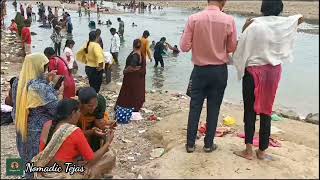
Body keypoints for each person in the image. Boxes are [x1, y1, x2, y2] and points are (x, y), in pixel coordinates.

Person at [232, 0, 303, 161]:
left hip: (253, 71)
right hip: (273, 72)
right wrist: (282, 20)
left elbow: (240, 48)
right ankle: (262, 151)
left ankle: (248, 150)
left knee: (249, 110)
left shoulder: (254, 26)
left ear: (263, 7)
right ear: (279, 9)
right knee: (266, 110)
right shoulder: (283, 25)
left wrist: (245, 27)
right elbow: (300, 18)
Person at [180, 0, 237, 153]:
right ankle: (208, 144)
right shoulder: (229, 20)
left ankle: (190, 144)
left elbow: (184, 47)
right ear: (223, 2)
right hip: (219, 71)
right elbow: (231, 48)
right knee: (214, 108)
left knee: (195, 107)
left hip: (199, 70)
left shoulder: (194, 19)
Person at [33, 99, 116, 178]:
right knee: (109, 155)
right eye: (79, 111)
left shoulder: (48, 124)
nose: (80, 114)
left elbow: (43, 150)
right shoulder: (74, 131)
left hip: (45, 170)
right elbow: (91, 158)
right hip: (63, 174)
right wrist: (108, 142)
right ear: (73, 113)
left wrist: (91, 132)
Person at [12, 53, 60, 178]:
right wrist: (53, 85)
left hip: (21, 125)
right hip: (37, 130)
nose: (45, 70)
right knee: (35, 162)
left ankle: (23, 175)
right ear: (38, 68)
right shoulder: (39, 87)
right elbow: (56, 109)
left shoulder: (18, 82)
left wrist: (45, 80)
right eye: (44, 67)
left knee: (25, 158)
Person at [77, 87, 114, 151]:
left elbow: (99, 121)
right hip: (80, 126)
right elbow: (74, 132)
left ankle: (96, 152)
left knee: (101, 134)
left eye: (95, 104)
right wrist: (91, 132)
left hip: (93, 122)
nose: (93, 108)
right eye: (89, 106)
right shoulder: (76, 109)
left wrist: (105, 127)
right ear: (81, 104)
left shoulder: (100, 101)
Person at [115, 39, 146, 112]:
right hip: (137, 77)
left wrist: (124, 71)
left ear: (133, 45)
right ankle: (136, 105)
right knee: (135, 92)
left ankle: (127, 106)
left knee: (128, 92)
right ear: (140, 46)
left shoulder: (135, 55)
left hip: (131, 78)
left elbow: (132, 67)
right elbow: (138, 66)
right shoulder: (140, 53)